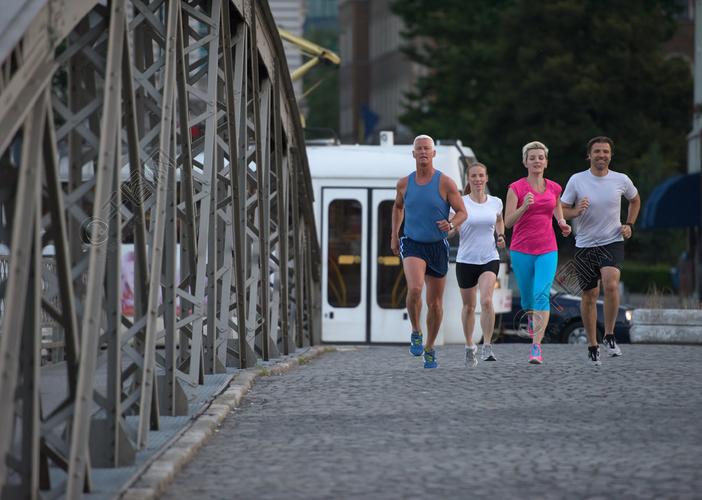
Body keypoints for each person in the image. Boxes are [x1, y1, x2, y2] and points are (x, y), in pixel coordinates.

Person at [561, 136, 640, 365]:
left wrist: (629, 224)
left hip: (612, 240)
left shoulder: (621, 179)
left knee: (611, 283)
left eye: (605, 151)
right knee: (589, 295)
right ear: (589, 155)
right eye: (597, 151)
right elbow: (562, 210)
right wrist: (576, 211)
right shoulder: (577, 180)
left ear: (611, 155)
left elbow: (635, 201)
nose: (601, 155)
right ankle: (592, 345)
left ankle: (610, 335)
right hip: (585, 244)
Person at [391, 135, 467, 368]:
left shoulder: (446, 183)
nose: (423, 152)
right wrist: (394, 235)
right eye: (419, 149)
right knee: (415, 288)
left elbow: (462, 212)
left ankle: (430, 347)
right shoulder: (404, 183)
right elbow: (398, 207)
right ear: (413, 154)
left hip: (437, 246)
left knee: (435, 303)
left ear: (433, 154)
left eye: (427, 149)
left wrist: (451, 224)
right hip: (412, 243)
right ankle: (416, 330)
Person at [504, 141, 571, 364]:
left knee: (542, 294)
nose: (536, 161)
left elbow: (556, 207)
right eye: (532, 157)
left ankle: (536, 347)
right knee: (527, 301)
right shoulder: (516, 188)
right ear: (525, 162)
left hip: (547, 249)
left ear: (546, 162)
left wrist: (561, 222)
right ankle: (533, 321)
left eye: (540, 157)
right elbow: (507, 222)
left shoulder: (554, 187)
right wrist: (524, 207)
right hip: (521, 250)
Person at [450, 163, 505, 367]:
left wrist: (500, 235)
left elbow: (499, 221)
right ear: (468, 179)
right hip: (465, 260)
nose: (478, 179)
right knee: (469, 306)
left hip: (489, 258)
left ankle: (487, 346)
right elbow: (452, 226)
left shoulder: (496, 202)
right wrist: (448, 229)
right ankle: (468, 345)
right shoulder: (460, 203)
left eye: (481, 175)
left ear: (486, 178)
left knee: (487, 301)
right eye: (474, 176)